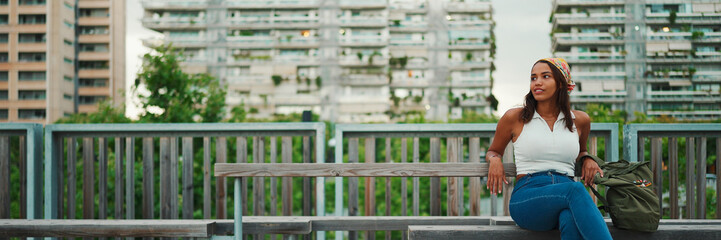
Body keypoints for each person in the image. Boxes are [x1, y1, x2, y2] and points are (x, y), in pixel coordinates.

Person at [486, 58, 612, 240]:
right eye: (533, 77)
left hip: (565, 194)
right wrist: (495, 159)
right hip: (528, 197)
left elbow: (581, 151)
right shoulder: (515, 117)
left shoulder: (580, 120)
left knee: (569, 218)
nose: (537, 82)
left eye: (545, 76)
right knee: (575, 190)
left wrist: (587, 159)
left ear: (561, 83)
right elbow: (493, 150)